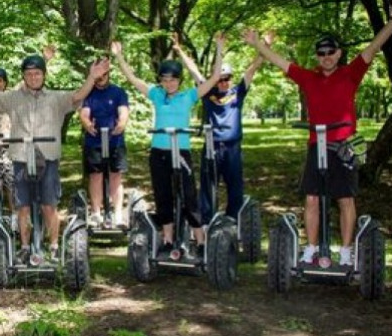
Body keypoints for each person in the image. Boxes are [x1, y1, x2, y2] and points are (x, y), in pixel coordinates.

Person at [243, 0, 392, 266]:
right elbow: (279, 62)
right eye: (321, 52)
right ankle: (312, 248)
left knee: (345, 198)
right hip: (316, 144)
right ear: (317, 56)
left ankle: (347, 251)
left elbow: (374, 47)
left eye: (330, 51)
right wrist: (258, 44)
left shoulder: (350, 74)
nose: (326, 56)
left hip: (344, 145)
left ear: (338, 54)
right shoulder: (309, 78)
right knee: (312, 198)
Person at [0, 54, 108, 264]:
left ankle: (53, 247)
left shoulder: (56, 98)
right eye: (29, 74)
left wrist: (92, 77)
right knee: (22, 206)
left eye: (37, 73)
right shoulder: (13, 98)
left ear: (44, 75)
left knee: (48, 205)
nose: (33, 77)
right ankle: (24, 247)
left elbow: (78, 96)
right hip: (22, 158)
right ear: (23, 76)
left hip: (48, 157)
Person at [111, 34, 223, 257]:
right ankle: (168, 239)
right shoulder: (156, 94)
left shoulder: (189, 96)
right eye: (164, 79)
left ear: (179, 80)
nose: (168, 83)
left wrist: (219, 48)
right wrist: (119, 56)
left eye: (172, 79)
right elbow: (132, 78)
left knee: (189, 195)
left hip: (180, 151)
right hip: (159, 151)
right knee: (163, 197)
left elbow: (214, 78)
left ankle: (200, 240)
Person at [170, 32, 270, 224]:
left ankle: (234, 221)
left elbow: (253, 68)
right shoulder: (208, 91)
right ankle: (206, 223)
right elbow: (193, 71)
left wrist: (264, 45)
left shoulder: (238, 91)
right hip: (211, 146)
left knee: (235, 187)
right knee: (208, 187)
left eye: (227, 78)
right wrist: (179, 50)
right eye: (220, 78)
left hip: (232, 147)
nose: (223, 82)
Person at [78, 60, 130, 228]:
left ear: (108, 74)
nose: (101, 77)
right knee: (96, 176)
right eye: (97, 74)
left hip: (115, 140)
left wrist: (121, 124)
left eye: (104, 74)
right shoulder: (89, 93)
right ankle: (95, 213)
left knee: (116, 176)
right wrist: (87, 123)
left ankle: (118, 214)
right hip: (94, 140)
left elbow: (123, 112)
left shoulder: (118, 92)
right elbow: (84, 113)